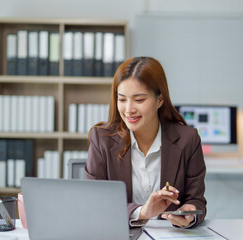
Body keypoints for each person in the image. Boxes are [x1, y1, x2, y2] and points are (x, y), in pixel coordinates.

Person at [85, 56, 206, 228]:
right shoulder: (102, 139)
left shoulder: (188, 140)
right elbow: (95, 203)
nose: (129, 110)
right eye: (122, 99)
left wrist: (189, 213)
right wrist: (141, 213)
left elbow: (196, 199)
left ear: (160, 100)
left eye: (139, 100)